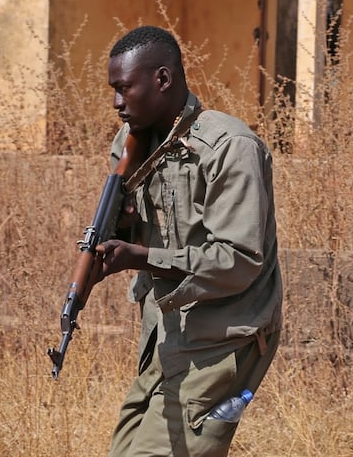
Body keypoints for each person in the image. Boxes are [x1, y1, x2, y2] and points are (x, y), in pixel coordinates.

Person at [94, 25, 283, 457]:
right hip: (166, 335)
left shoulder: (229, 147)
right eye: (113, 90)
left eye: (124, 88)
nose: (116, 103)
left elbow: (238, 260)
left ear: (162, 80)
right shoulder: (130, 142)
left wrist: (140, 256)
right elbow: (131, 230)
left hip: (223, 337)